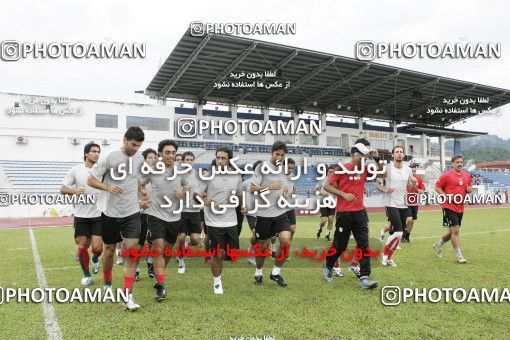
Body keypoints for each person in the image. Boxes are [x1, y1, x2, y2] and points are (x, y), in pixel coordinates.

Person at [87, 126, 147, 310]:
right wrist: (107, 187)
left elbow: (135, 177)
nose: (135, 148)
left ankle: (127, 295)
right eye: (133, 144)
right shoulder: (110, 157)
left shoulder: (139, 158)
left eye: (138, 145)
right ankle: (107, 282)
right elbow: (91, 180)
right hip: (110, 213)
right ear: (124, 139)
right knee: (109, 251)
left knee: (131, 253)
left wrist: (142, 189)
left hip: (131, 212)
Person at [322, 139, 381, 289]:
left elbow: (383, 173)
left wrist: (377, 159)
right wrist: (343, 194)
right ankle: (328, 265)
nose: (366, 159)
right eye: (364, 156)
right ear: (355, 155)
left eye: (367, 156)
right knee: (340, 246)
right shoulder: (341, 168)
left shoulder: (365, 169)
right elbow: (326, 186)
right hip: (344, 213)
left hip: (360, 212)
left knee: (363, 244)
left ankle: (365, 277)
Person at [139, 139, 188, 301]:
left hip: (174, 215)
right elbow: (139, 182)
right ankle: (161, 285)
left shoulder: (181, 170)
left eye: (173, 153)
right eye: (167, 152)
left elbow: (188, 187)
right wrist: (143, 194)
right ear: (160, 154)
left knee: (167, 250)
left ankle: (159, 276)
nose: (171, 156)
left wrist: (184, 193)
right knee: (158, 247)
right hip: (155, 214)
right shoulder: (152, 169)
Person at [199, 147, 244, 294]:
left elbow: (239, 194)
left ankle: (217, 256)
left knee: (232, 254)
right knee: (217, 254)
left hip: (231, 220)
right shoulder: (208, 176)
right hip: (213, 221)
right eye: (218, 158)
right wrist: (204, 199)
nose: (220, 161)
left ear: (229, 160)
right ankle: (217, 282)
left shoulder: (236, 176)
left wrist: (243, 206)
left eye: (223, 158)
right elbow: (198, 194)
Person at [60, 142, 103, 287]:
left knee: (97, 248)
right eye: (93, 151)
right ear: (86, 154)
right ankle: (86, 275)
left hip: (98, 215)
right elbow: (63, 189)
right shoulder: (76, 170)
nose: (96, 154)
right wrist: (74, 192)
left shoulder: (102, 170)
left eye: (98, 151)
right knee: (82, 246)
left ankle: (95, 259)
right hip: (81, 216)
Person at [250, 141, 292, 287]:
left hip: (280, 213)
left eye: (282, 155)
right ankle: (258, 272)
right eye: (277, 154)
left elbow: (283, 190)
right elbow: (252, 189)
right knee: (262, 247)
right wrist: (270, 187)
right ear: (271, 153)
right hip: (264, 214)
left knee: (286, 241)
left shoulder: (283, 170)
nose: (280, 157)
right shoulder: (262, 167)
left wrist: (285, 195)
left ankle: (275, 272)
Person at [379, 146, 417, 267]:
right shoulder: (387, 168)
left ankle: (388, 257)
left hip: (403, 203)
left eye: (401, 152)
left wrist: (414, 182)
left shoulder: (408, 169)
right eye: (397, 152)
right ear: (393, 155)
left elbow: (410, 188)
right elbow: (377, 183)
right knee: (399, 233)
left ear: (403, 155)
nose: (399, 154)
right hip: (390, 202)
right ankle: (385, 255)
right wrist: (385, 189)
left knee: (398, 234)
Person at [433, 155, 472, 263]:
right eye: (457, 162)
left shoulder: (467, 176)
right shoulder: (446, 175)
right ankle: (459, 256)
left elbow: (469, 187)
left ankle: (438, 245)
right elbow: (437, 187)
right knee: (455, 231)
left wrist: (469, 190)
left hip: (460, 206)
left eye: (461, 162)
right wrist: (444, 195)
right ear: (453, 164)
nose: (460, 164)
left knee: (451, 231)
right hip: (448, 206)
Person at [176, 151, 206, 274]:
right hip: (182, 210)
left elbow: (203, 192)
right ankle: (181, 261)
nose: (188, 162)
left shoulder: (199, 176)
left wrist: (199, 196)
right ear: (182, 161)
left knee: (196, 240)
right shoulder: (178, 175)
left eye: (190, 160)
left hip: (195, 211)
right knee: (181, 237)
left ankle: (187, 247)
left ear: (194, 161)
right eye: (186, 160)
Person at [137, 148, 158, 280]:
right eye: (150, 157)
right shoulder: (137, 174)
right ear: (144, 159)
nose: (153, 160)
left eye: (155, 157)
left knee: (154, 242)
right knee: (138, 244)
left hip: (154, 213)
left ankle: (150, 263)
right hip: (138, 213)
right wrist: (140, 202)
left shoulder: (158, 173)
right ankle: (136, 268)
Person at [403, 164, 425, 243]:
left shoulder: (419, 179)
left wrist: (420, 191)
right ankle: (402, 233)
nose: (414, 172)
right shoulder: (406, 179)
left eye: (415, 171)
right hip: (406, 202)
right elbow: (407, 189)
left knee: (412, 221)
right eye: (412, 171)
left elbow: (422, 189)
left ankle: (407, 236)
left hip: (415, 202)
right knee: (409, 219)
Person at [316, 167, 336, 241]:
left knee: (331, 219)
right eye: (329, 171)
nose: (331, 173)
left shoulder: (335, 181)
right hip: (323, 202)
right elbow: (316, 190)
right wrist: (320, 193)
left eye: (332, 172)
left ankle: (327, 235)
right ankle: (320, 229)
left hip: (332, 202)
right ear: (327, 172)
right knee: (323, 221)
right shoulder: (322, 180)